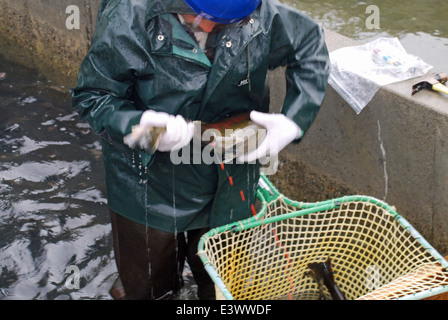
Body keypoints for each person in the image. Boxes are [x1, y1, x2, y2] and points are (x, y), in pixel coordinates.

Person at [71, 0, 330, 300]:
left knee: (224, 282)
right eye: (202, 17)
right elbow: (94, 96)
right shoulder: (130, 14)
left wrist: (293, 121)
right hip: (147, 182)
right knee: (147, 286)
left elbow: (310, 46)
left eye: (229, 21)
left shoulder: (262, 13)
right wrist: (141, 126)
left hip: (230, 174)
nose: (210, 28)